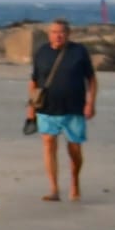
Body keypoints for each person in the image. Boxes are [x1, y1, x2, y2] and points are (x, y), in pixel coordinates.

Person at [27, 18, 97, 201]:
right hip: (47, 107)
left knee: (74, 148)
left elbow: (91, 79)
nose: (57, 35)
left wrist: (90, 103)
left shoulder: (79, 52)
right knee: (49, 143)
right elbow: (34, 81)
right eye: (54, 32)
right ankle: (54, 188)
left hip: (74, 108)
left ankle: (75, 181)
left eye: (61, 32)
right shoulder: (41, 52)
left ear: (68, 34)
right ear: (49, 34)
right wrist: (31, 106)